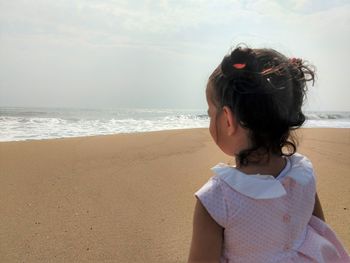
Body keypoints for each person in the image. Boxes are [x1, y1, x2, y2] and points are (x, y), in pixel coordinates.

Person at [188, 46, 350, 263]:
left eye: (210, 114)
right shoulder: (303, 175)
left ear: (228, 120)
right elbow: (320, 231)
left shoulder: (218, 198)